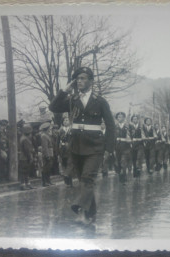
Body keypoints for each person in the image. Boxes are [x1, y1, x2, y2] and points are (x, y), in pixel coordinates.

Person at [49, 66, 115, 225]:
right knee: (84, 182)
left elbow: (111, 125)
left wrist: (109, 149)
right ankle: (90, 216)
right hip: (76, 147)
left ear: (91, 81)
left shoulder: (100, 101)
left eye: (83, 78)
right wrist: (64, 91)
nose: (80, 81)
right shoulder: (72, 100)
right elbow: (54, 107)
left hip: (95, 147)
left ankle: (80, 210)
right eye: (78, 78)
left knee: (87, 179)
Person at [115, 112, 132, 183]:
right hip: (117, 147)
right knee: (117, 163)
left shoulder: (128, 126)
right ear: (117, 118)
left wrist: (130, 138)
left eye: (121, 117)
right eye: (118, 117)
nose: (120, 118)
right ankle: (120, 173)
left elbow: (133, 135)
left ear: (124, 118)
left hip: (126, 147)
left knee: (123, 161)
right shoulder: (114, 126)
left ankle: (124, 176)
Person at [19, 124, 35, 190]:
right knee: (24, 172)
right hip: (25, 157)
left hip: (23, 157)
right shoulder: (25, 139)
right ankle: (23, 185)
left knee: (26, 172)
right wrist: (30, 157)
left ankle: (27, 184)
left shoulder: (23, 138)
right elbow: (26, 150)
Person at [59, 116, 72, 186]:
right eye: (64, 120)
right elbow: (57, 141)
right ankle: (67, 181)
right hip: (63, 150)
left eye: (67, 120)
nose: (66, 121)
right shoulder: (60, 130)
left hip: (71, 149)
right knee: (64, 164)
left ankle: (68, 178)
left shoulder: (72, 129)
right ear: (62, 122)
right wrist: (58, 151)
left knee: (70, 164)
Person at [40, 122, 54, 187]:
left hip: (50, 153)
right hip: (47, 154)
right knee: (45, 168)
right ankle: (44, 182)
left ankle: (48, 181)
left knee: (48, 168)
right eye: (49, 128)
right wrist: (47, 155)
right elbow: (45, 147)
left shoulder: (47, 135)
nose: (50, 129)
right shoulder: (44, 136)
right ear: (47, 129)